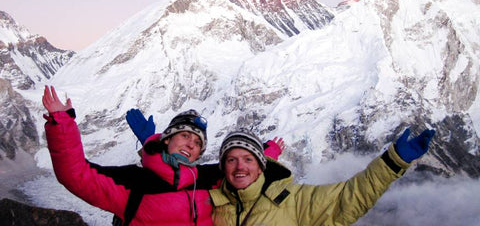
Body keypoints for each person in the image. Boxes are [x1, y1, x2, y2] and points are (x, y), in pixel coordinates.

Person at [42, 86, 283, 226]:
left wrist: (268, 152)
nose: (191, 144)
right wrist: (62, 123)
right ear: (167, 139)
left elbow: (243, 171)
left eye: (198, 142)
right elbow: (77, 175)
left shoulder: (208, 178)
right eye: (185, 136)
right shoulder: (134, 184)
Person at [209, 128, 435, 226]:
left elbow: (348, 198)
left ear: (261, 166)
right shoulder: (208, 203)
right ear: (223, 166)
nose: (240, 167)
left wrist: (392, 162)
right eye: (232, 160)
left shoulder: (293, 201)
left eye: (248, 159)